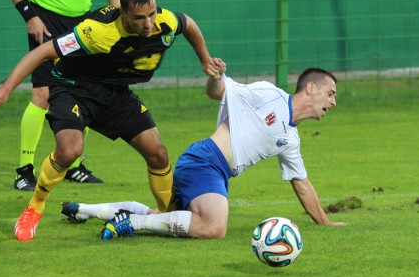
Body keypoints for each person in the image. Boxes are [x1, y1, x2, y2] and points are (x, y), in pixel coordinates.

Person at [0, 0, 215, 241]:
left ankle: (168, 214)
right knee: (70, 150)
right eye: (139, 18)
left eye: (151, 14)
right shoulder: (96, 32)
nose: (148, 24)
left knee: (157, 153)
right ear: (123, 13)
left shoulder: (164, 21)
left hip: (115, 93)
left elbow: (188, 24)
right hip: (73, 88)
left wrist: (205, 59)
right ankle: (35, 206)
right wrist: (7, 88)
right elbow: (43, 52)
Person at [60, 61, 347, 240]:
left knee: (168, 214)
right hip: (205, 161)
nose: (333, 102)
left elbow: (302, 184)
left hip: (216, 172)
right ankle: (133, 223)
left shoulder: (292, 139)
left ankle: (87, 210)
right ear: (310, 88)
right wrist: (216, 76)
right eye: (331, 93)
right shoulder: (269, 94)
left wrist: (325, 222)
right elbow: (217, 91)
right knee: (213, 227)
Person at [3, 0, 120, 191]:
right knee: (42, 94)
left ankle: (74, 166)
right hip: (46, 20)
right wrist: (30, 16)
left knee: (83, 92)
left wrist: (118, 13)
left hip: (83, 24)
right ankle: (24, 170)